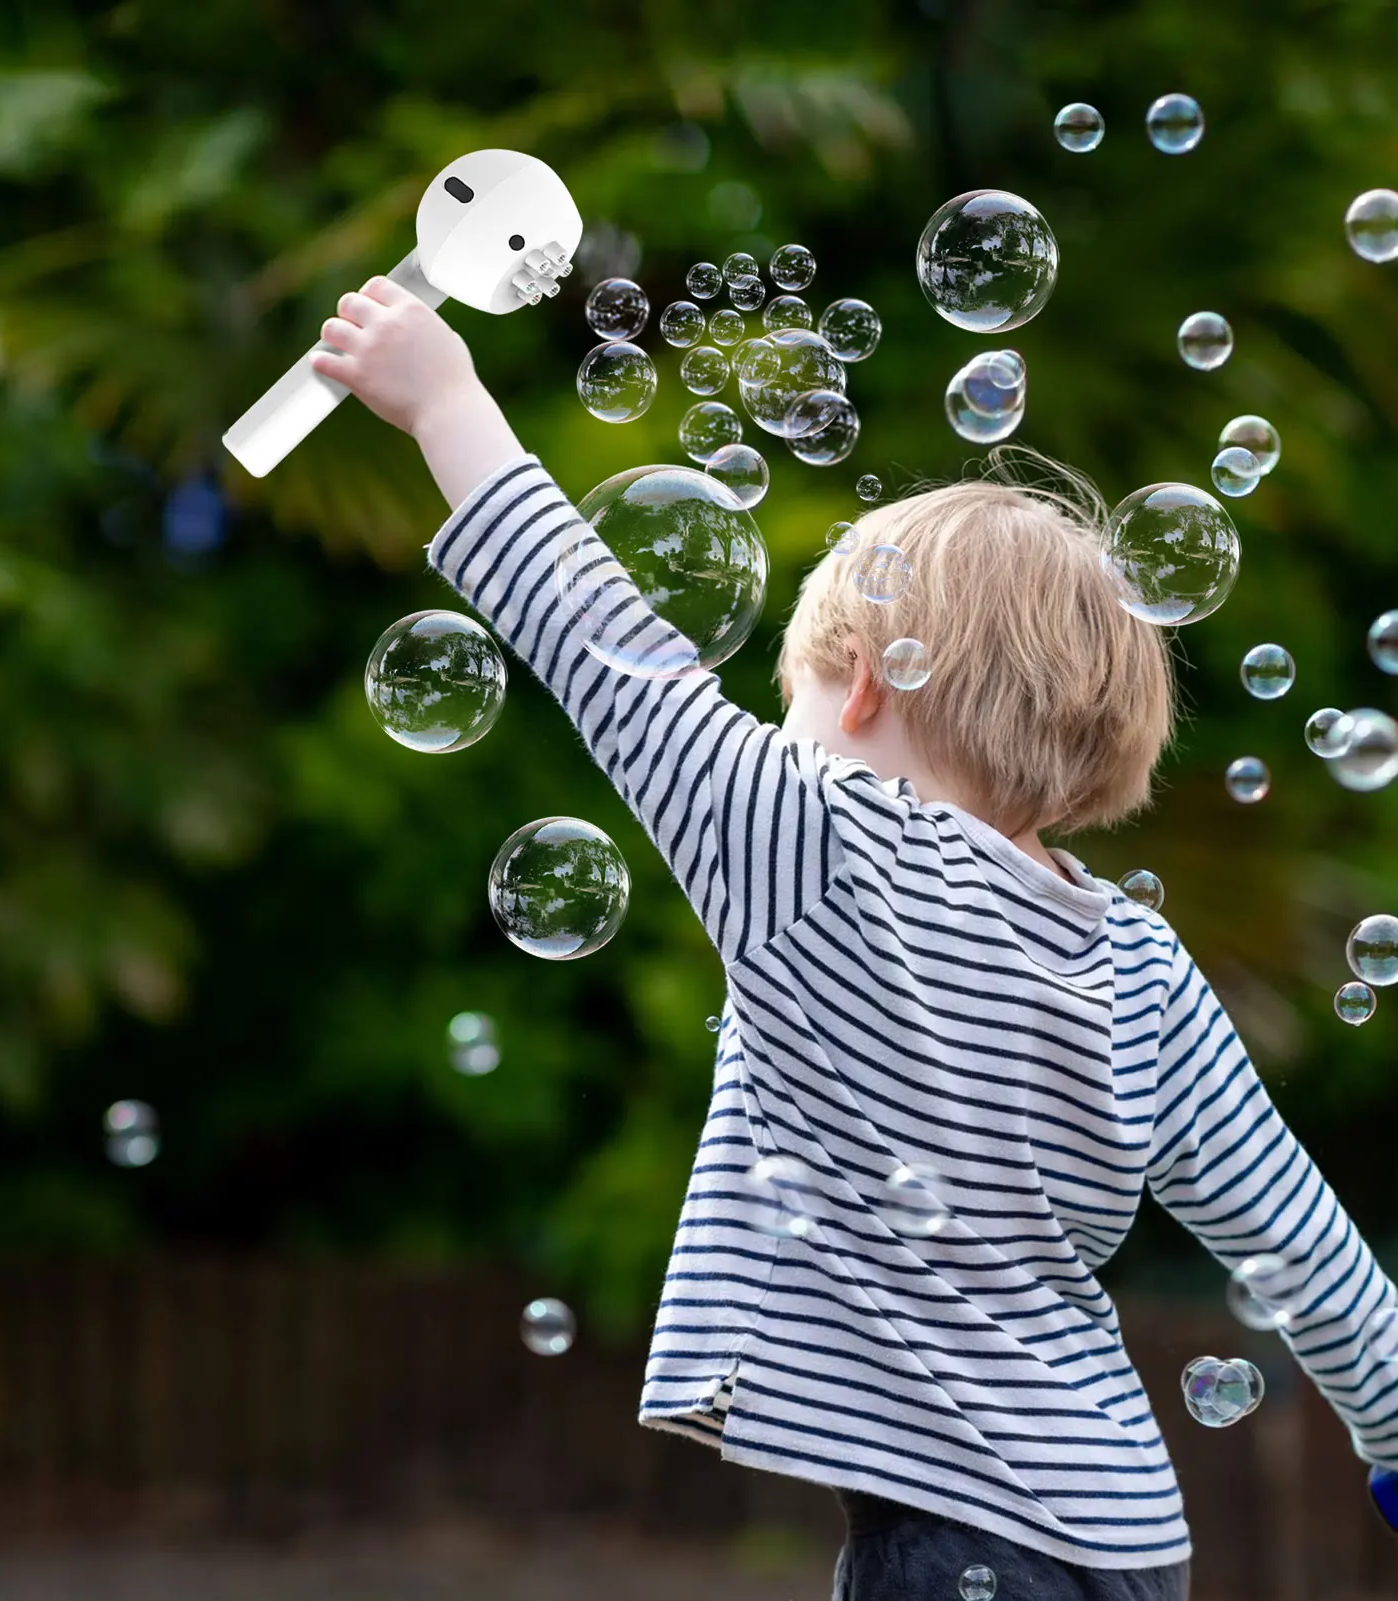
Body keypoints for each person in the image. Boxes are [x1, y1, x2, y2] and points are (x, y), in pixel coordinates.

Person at [310, 275, 1398, 1600]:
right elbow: (1296, 1235)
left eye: (796, 705)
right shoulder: (1140, 960)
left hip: (955, 1542)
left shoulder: (819, 842)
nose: (775, 744)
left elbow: (600, 645)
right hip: (1127, 1536)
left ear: (869, 687)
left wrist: (445, 399)